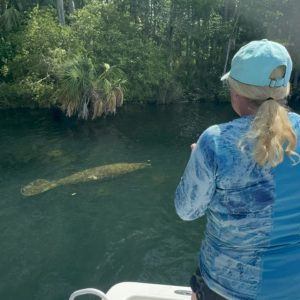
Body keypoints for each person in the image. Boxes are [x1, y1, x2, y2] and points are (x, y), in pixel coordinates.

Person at [175, 39, 300, 300]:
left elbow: (187, 210)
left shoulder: (215, 142)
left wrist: (197, 159)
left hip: (225, 288)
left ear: (236, 93)